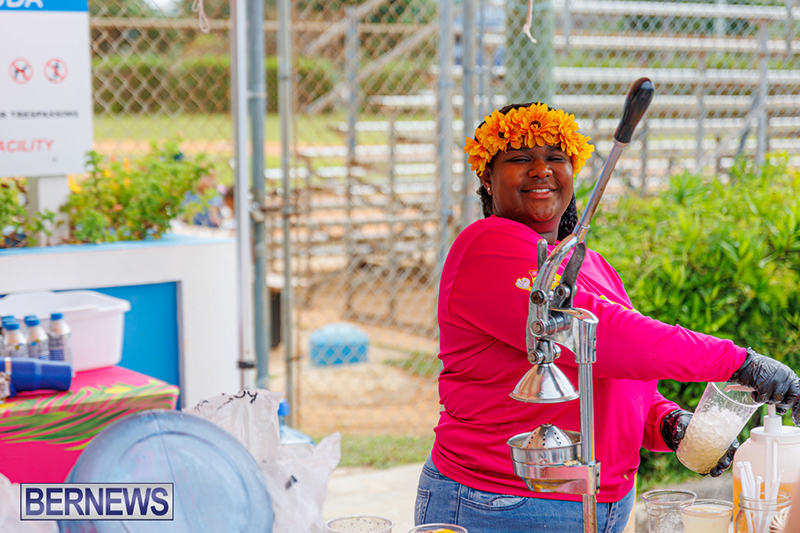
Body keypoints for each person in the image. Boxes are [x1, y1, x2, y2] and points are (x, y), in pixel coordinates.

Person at [415, 102, 800, 532]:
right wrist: (739, 363)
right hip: (502, 501)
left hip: (605, 501)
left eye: (556, 158)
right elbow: (602, 336)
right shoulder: (486, 248)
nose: (541, 169)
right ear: (487, 177)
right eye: (520, 158)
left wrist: (667, 422)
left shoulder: (589, 263)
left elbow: (620, 374)